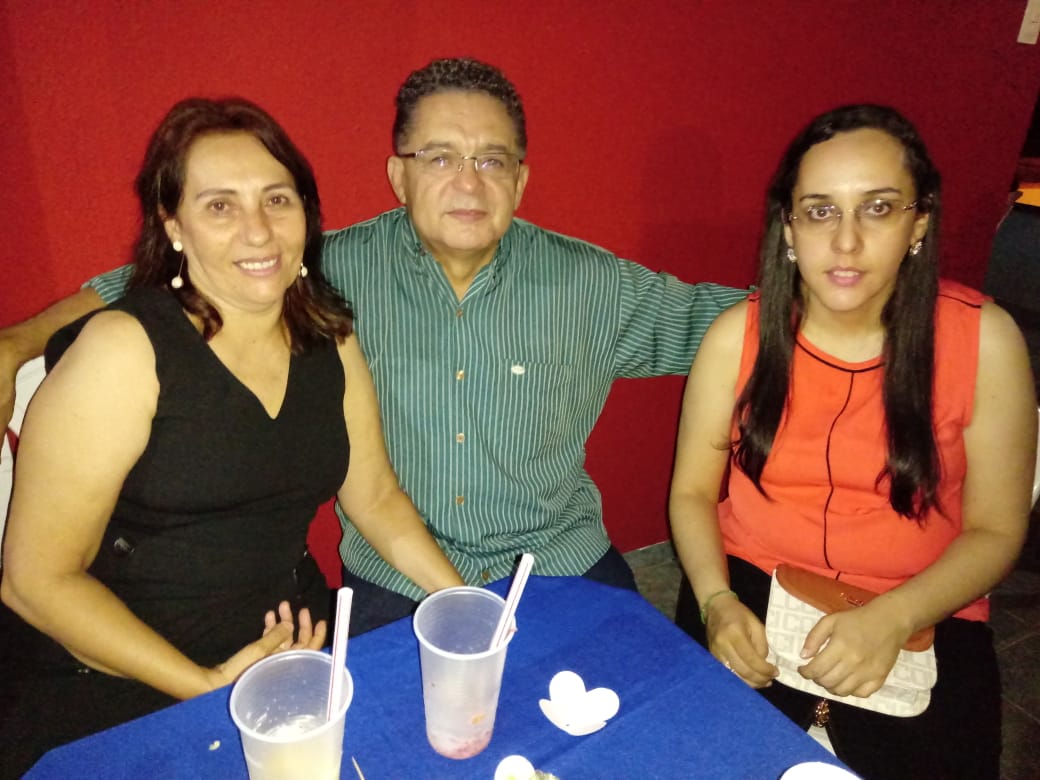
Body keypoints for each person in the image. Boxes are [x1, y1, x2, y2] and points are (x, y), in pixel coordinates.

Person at [0, 58, 747, 636]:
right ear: (398, 175)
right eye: (439, 157)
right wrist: (17, 343)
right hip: (397, 577)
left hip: (558, 561)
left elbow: (729, 324)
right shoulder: (312, 266)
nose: (468, 183)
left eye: (492, 160)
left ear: (521, 181)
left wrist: (822, 279)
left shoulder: (596, 284)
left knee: (638, 726)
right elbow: (153, 282)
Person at [0, 97, 463, 775]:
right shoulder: (123, 350)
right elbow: (35, 582)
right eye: (220, 205)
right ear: (174, 225)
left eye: (277, 199)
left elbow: (376, 499)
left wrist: (462, 604)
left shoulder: (329, 337)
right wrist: (211, 688)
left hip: (284, 649)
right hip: (115, 671)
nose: (258, 230)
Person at [668, 104, 1036, 780]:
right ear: (788, 228)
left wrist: (895, 617)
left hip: (926, 596)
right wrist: (716, 602)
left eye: (878, 208)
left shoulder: (986, 341)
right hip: (750, 580)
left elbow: (997, 530)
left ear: (919, 223)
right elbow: (691, 491)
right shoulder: (735, 337)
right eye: (820, 212)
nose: (845, 242)